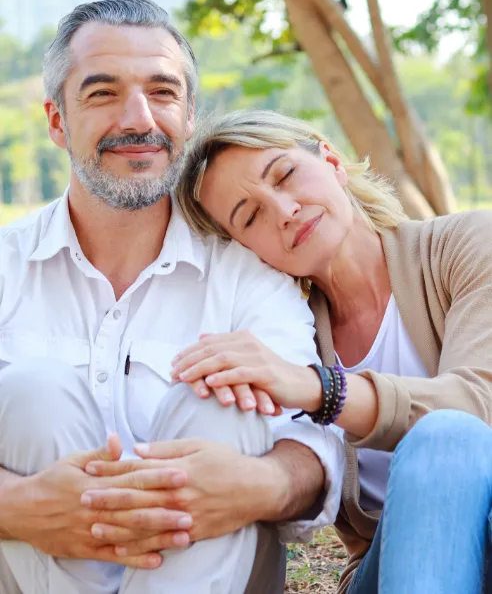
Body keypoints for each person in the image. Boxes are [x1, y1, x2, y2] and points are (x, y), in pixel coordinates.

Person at [0, 0, 346, 594]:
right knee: (35, 394)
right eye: (103, 93)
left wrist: (257, 486)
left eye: (161, 92)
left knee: (228, 403)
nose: (138, 119)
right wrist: (16, 503)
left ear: (188, 117)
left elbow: (312, 444)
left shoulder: (248, 275)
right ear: (57, 121)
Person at [174, 108, 492, 594]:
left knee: (446, 435)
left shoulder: (468, 245)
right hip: (385, 574)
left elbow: (479, 406)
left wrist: (321, 390)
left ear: (333, 160)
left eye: (285, 174)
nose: (284, 210)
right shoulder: (286, 340)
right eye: (251, 216)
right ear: (246, 252)